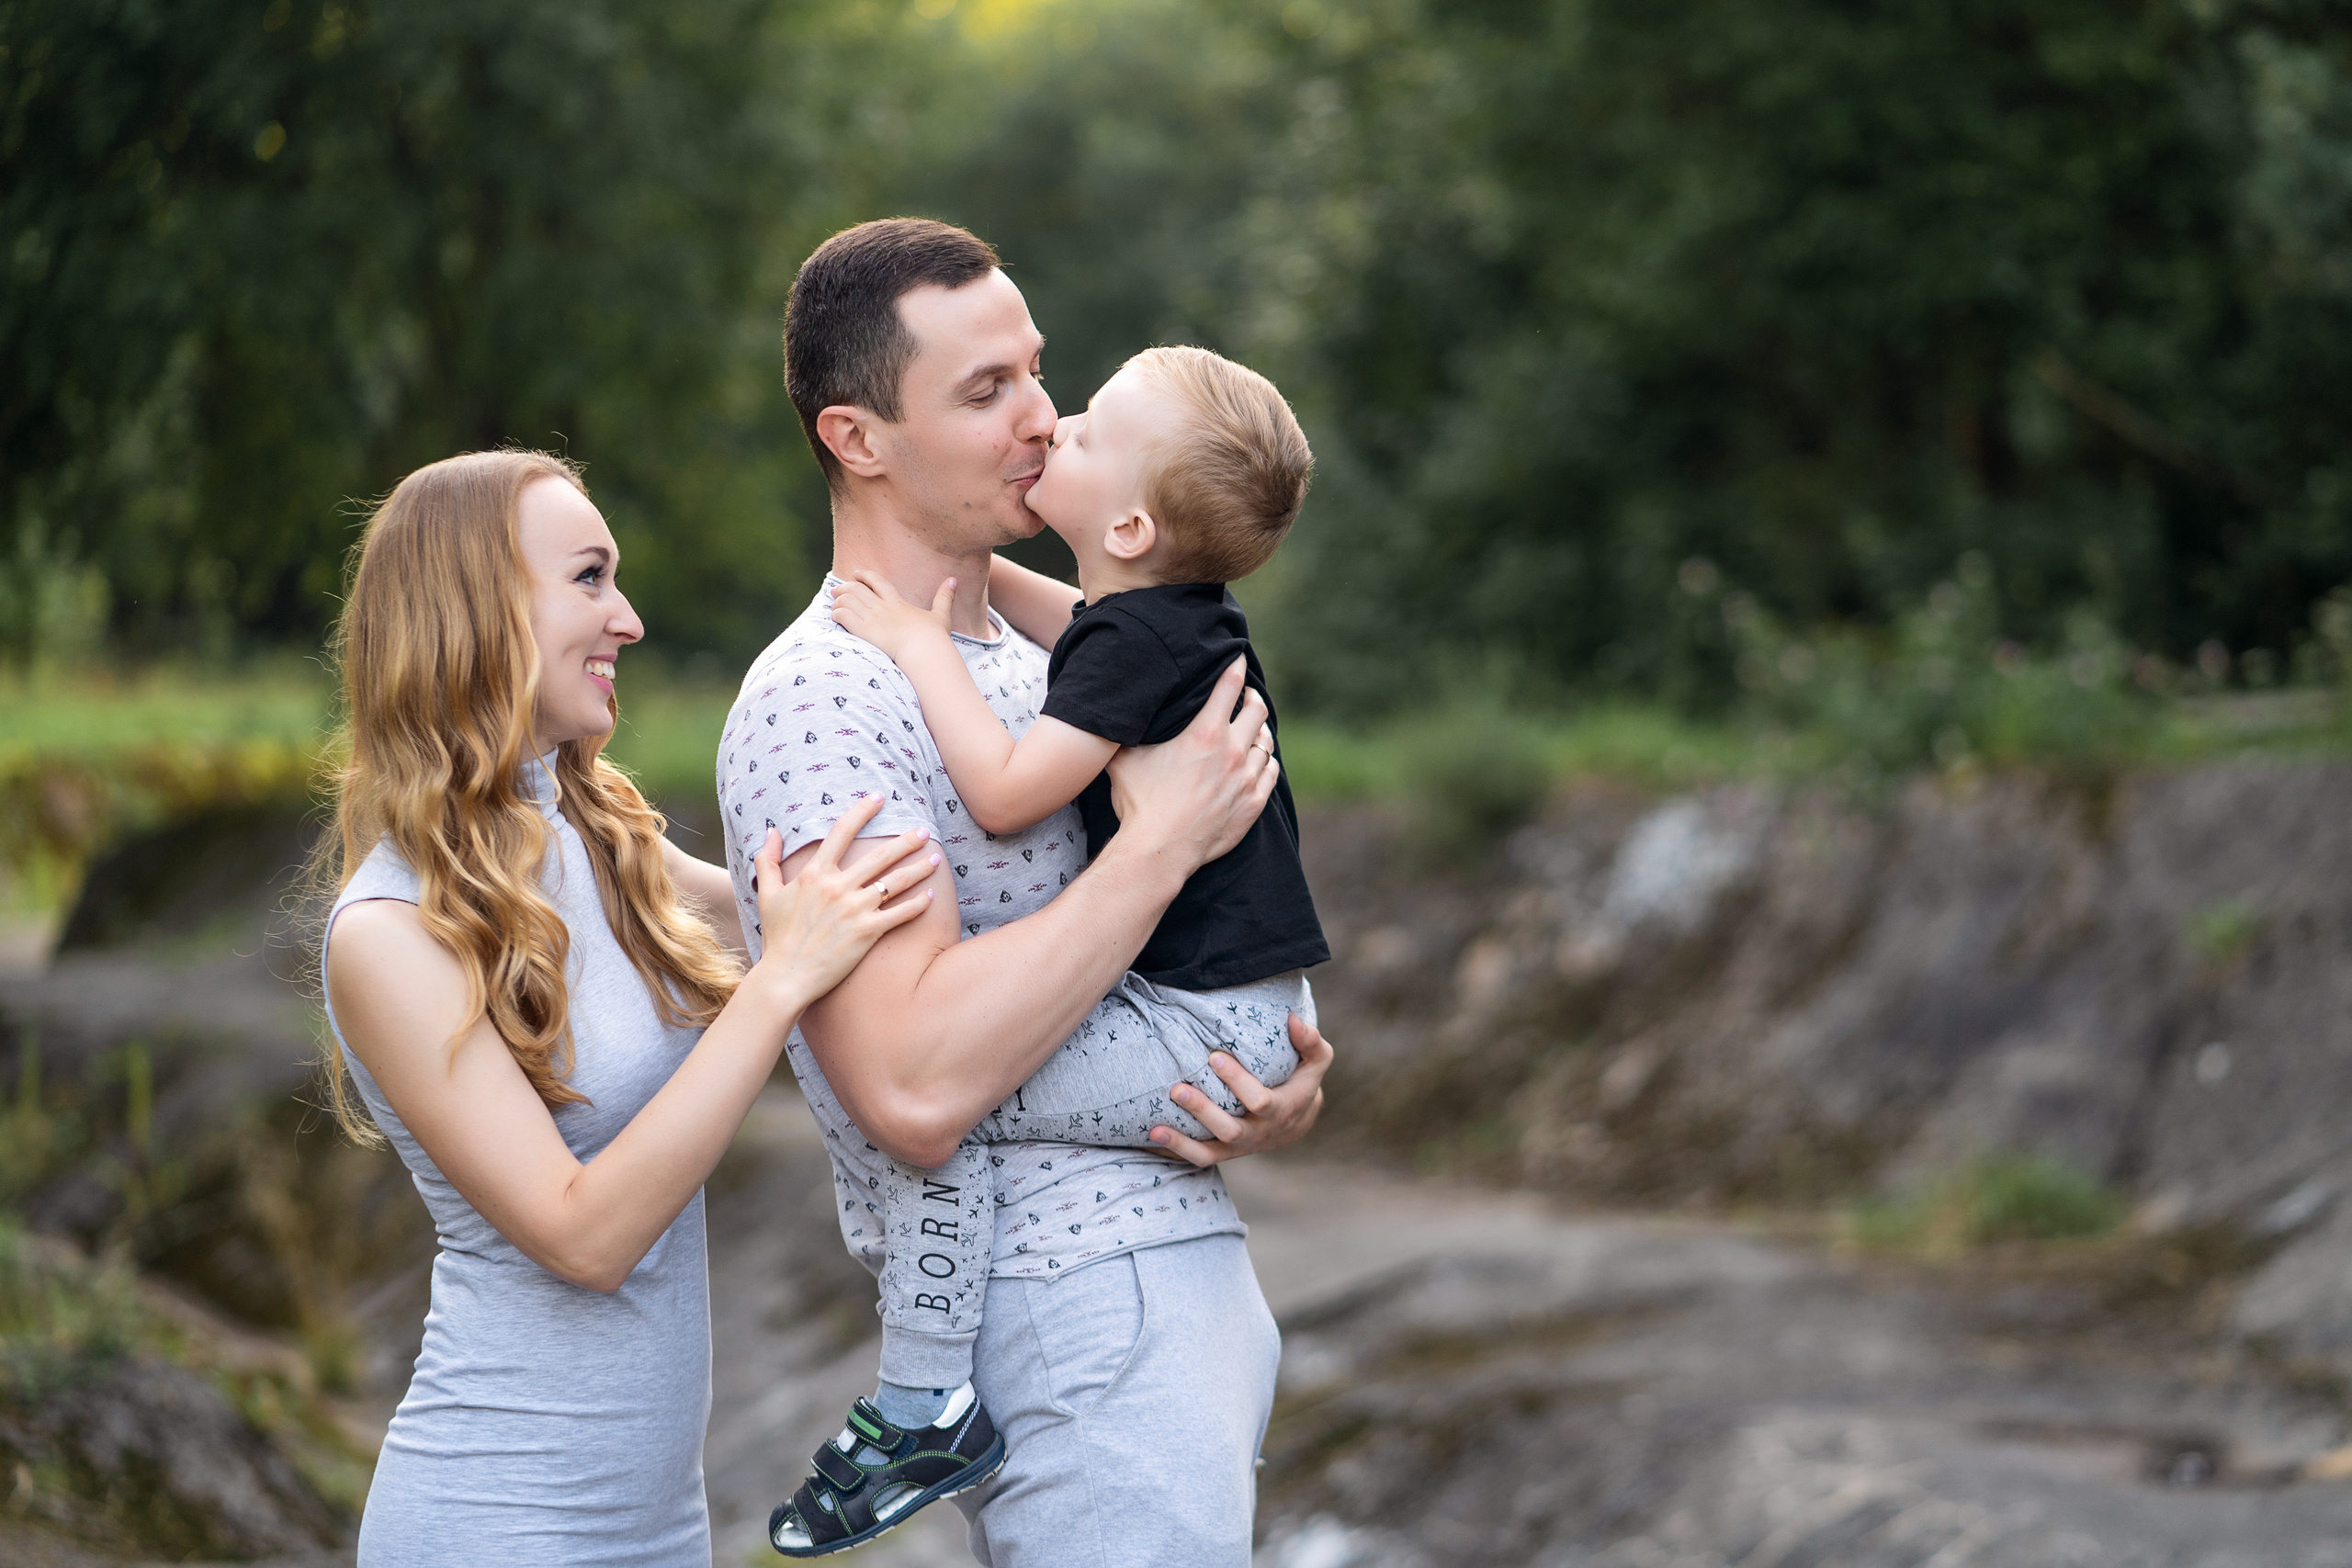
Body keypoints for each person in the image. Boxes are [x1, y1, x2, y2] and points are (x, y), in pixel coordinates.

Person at [718, 217, 1334, 1566]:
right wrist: (1154, 851)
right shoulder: (830, 693)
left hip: (1156, 1303)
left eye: (1039, 375)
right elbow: (917, 1085)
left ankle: (917, 1402)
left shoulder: (1037, 648)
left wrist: (1270, 1082)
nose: (1042, 420)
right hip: (1073, 1314)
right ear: (858, 438)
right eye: (985, 391)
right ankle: (919, 1397)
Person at [314, 448, 941, 1565]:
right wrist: (780, 984)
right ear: (479, 610)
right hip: (494, 1523)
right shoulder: (386, 932)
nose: (632, 620)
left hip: (659, 1530)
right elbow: (582, 1234)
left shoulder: (599, 835)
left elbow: (850, 932)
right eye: (591, 579)